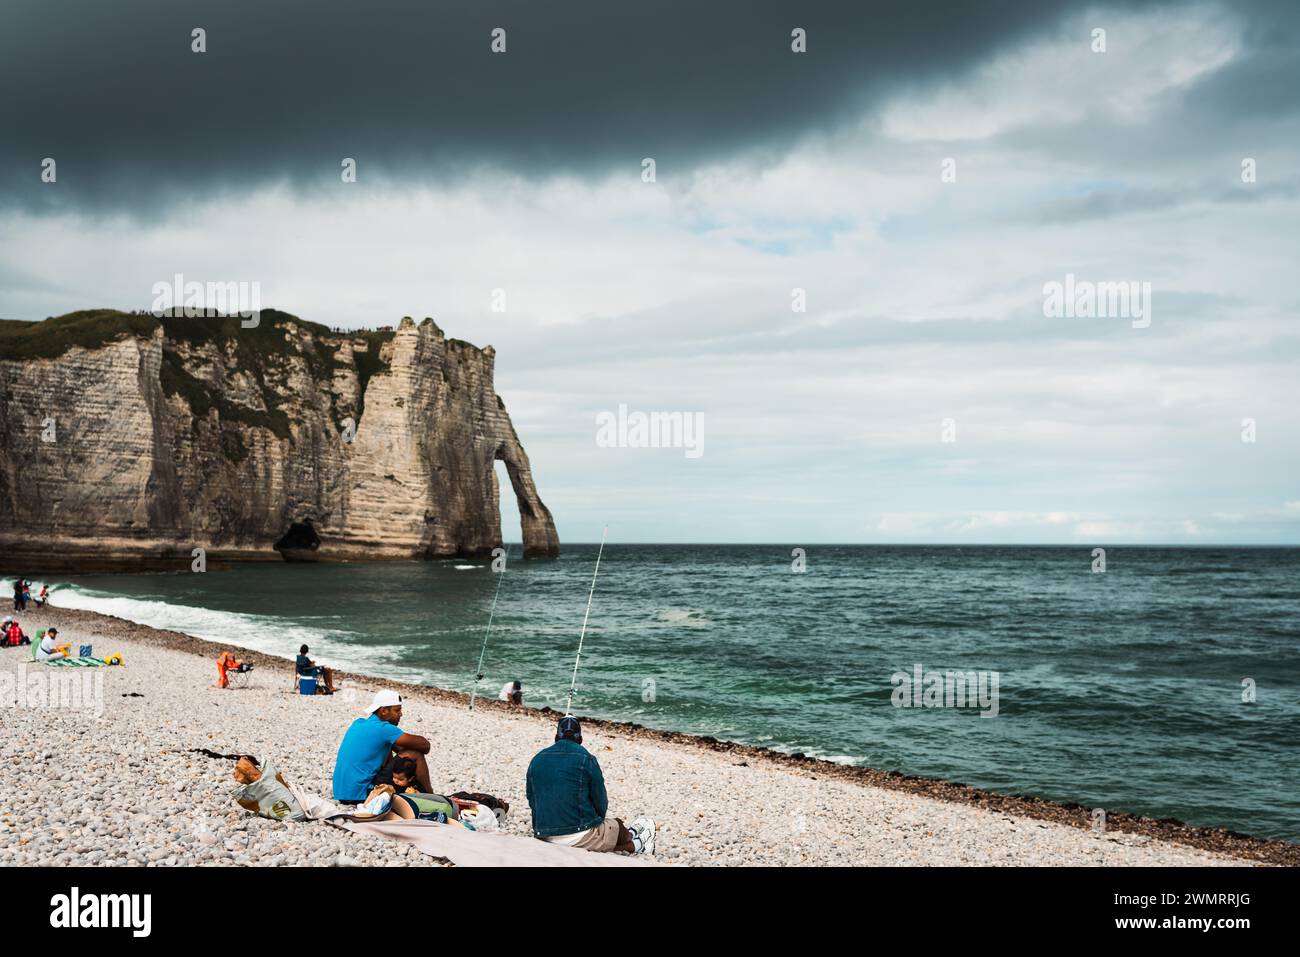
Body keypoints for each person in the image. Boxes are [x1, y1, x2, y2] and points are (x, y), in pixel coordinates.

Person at [525, 716, 655, 855]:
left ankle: (630, 837)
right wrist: (597, 821)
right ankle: (636, 844)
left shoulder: (536, 759)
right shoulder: (587, 759)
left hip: (544, 835)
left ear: (556, 738)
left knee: (598, 833)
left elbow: (532, 799)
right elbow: (601, 803)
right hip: (579, 833)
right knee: (618, 826)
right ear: (580, 740)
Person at [332, 690, 432, 803]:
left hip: (343, 793)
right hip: (362, 794)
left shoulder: (359, 723)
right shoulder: (384, 729)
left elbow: (397, 749)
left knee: (389, 749)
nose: (401, 714)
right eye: (397, 710)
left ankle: (416, 792)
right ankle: (431, 797)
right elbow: (425, 745)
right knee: (414, 754)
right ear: (384, 711)